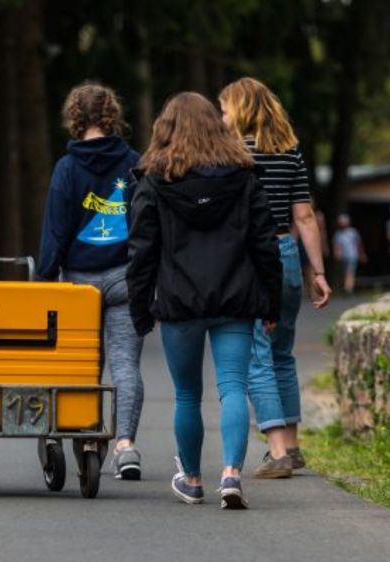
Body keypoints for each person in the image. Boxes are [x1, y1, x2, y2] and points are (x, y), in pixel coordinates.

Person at [127, 92, 282, 509]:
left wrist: (139, 308)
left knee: (187, 395)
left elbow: (142, 250)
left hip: (180, 302)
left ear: (166, 128)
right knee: (233, 387)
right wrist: (272, 302)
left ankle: (192, 479)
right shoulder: (244, 176)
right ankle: (231, 474)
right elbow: (264, 242)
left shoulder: (154, 180)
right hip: (235, 297)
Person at [219, 77, 331, 479]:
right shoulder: (290, 151)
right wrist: (317, 270)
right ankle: (295, 445)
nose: (222, 116)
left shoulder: (232, 153)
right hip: (286, 252)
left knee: (255, 354)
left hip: (251, 257)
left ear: (242, 109)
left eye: (226, 108)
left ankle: (277, 450)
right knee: (283, 352)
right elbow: (305, 216)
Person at [37, 83, 145, 480]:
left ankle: (85, 436)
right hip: (124, 278)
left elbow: (56, 230)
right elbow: (143, 224)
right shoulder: (134, 162)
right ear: (112, 115)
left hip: (77, 284)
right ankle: (125, 445)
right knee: (125, 366)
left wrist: (45, 277)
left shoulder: (67, 169)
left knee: (83, 366)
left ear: (75, 119)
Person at [333, 213, 366, 294]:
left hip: (353, 255)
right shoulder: (338, 234)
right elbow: (337, 245)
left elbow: (358, 244)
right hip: (343, 256)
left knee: (350, 272)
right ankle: (347, 286)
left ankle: (348, 288)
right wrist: (337, 253)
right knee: (346, 272)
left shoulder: (353, 232)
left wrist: (362, 254)